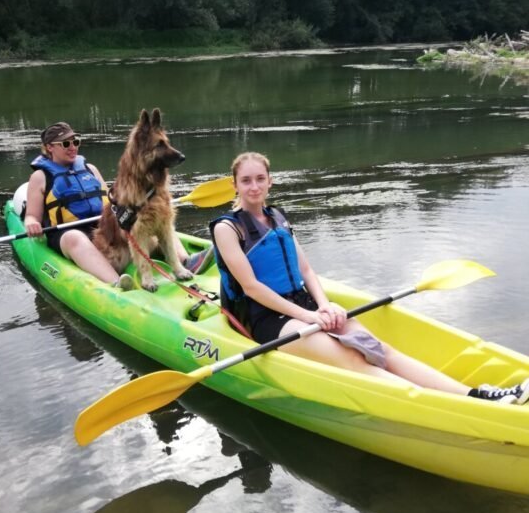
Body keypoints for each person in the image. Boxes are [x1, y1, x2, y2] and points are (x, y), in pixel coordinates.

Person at [210, 152, 529, 405]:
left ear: (270, 182)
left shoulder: (277, 217)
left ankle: (475, 395)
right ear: (235, 185)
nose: (254, 186)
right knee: (353, 359)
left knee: (379, 350)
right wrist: (310, 316)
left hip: (304, 305)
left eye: (260, 179)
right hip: (266, 318)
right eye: (246, 180)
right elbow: (251, 288)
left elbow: (306, 271)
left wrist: (325, 306)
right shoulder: (228, 229)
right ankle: (461, 409)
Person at [24, 122, 212, 290]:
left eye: (75, 141)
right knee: (76, 238)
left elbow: (112, 202)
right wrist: (32, 223)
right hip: (66, 233)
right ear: (49, 148)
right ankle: (117, 282)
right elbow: (32, 216)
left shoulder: (91, 169)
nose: (73, 147)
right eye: (66, 143)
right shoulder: (40, 177)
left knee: (157, 216)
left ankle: (185, 261)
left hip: (99, 227)